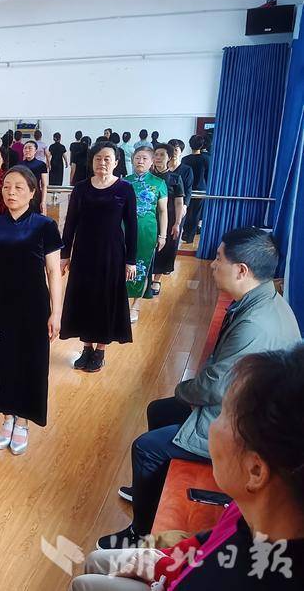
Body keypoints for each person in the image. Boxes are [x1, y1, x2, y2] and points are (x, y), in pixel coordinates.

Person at [98, 227, 301, 550]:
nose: (213, 264)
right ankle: (151, 487)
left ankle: (140, 533)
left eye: (219, 259)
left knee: (146, 448)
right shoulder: (265, 301)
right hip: (240, 405)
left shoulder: (255, 324)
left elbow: (215, 388)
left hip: (245, 427)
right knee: (159, 410)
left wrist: (183, 390)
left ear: (242, 270)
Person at [74, 344, 304, 590]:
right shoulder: (251, 510)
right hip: (178, 569)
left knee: (85, 583)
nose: (212, 426)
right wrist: (161, 564)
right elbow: (208, 543)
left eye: (223, 415)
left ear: (255, 471)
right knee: (95, 562)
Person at [0, 166, 63, 455]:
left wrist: (56, 312)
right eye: (7, 186)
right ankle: (8, 416)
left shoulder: (45, 226)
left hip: (34, 306)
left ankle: (23, 421)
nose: (11, 192)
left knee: (31, 362)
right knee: (3, 361)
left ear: (33, 192)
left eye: (19, 187)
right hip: (1, 305)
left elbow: (54, 272)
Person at [60, 142, 138, 373]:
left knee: (105, 300)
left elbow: (131, 227)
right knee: (84, 297)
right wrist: (65, 255)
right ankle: (86, 347)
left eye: (107, 159)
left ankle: (100, 350)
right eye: (97, 158)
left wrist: (131, 260)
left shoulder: (125, 189)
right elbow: (70, 222)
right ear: (91, 161)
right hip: (84, 253)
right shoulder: (81, 188)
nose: (102, 162)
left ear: (116, 162)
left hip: (111, 254)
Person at [125, 147, 168, 323]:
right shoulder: (124, 182)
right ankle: (119, 302)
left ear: (151, 162)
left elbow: (163, 212)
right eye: (137, 158)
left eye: (144, 158)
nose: (140, 161)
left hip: (146, 230)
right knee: (120, 264)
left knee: (142, 266)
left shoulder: (159, 183)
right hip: (123, 229)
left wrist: (163, 235)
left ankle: (135, 305)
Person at [149, 144, 185, 296]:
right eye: (156, 154)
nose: (158, 158)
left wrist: (177, 223)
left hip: (169, 219)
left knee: (165, 248)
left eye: (162, 155)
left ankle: (156, 279)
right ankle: (145, 277)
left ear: (169, 158)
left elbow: (179, 202)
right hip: (149, 218)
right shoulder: (147, 177)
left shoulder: (175, 178)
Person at [181, 135, 210, 243]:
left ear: (190, 145)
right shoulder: (206, 159)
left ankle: (185, 233)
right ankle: (190, 236)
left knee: (186, 212)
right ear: (202, 145)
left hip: (187, 189)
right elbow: (208, 175)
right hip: (201, 189)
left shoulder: (185, 159)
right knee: (196, 214)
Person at [167, 138, 193, 234]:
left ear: (181, 152)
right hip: (164, 205)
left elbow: (188, 190)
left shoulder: (187, 170)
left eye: (176, 150)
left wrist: (185, 206)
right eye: (171, 149)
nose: (173, 152)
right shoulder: (163, 168)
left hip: (179, 206)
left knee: (174, 234)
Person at [19, 140, 49, 214]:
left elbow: (44, 185)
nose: (27, 150)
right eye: (25, 148)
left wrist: (43, 201)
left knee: (35, 216)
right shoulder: (19, 165)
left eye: (30, 148)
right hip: (22, 195)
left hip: (36, 195)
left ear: (35, 151)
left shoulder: (41, 165)